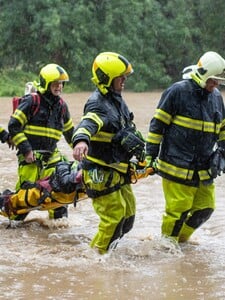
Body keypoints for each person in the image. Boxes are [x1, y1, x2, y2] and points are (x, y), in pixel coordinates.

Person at [145, 51, 225, 246]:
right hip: (176, 165)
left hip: (204, 168)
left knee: (205, 208)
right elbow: (157, 126)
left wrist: (222, 153)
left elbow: (222, 130)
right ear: (203, 73)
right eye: (212, 80)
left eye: (218, 82)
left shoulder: (216, 98)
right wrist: (150, 157)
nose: (215, 85)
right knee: (178, 211)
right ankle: (167, 247)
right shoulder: (177, 91)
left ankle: (180, 242)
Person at [72, 52, 145, 254]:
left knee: (128, 217)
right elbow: (88, 123)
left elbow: (126, 127)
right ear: (107, 79)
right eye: (120, 77)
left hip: (117, 169)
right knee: (114, 218)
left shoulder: (117, 100)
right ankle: (95, 259)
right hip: (100, 171)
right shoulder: (97, 103)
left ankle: (107, 253)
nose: (124, 81)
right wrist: (80, 140)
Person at [8, 63, 75, 220]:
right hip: (30, 158)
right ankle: (12, 222)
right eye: (55, 83)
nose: (59, 87)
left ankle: (57, 228)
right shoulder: (32, 101)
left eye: (61, 84)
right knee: (25, 199)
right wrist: (26, 150)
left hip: (52, 157)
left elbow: (70, 134)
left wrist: (83, 149)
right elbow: (14, 125)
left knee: (60, 192)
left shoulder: (62, 106)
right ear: (46, 83)